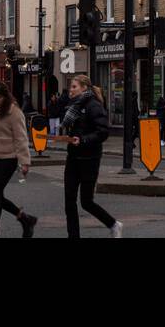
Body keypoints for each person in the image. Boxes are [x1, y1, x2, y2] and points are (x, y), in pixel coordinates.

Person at [61, 74, 121, 237]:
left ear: (84, 88)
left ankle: (113, 224)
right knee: (69, 201)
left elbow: (103, 132)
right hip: (73, 157)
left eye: (74, 87)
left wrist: (83, 140)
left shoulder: (93, 105)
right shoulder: (74, 107)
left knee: (86, 202)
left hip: (89, 159)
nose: (70, 91)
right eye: (70, 87)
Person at [0, 83, 36, 237]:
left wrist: (25, 162)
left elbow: (21, 138)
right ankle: (25, 219)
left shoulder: (14, 112)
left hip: (9, 158)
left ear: (6, 97)